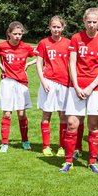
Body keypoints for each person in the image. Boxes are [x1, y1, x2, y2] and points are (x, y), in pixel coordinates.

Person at [62, 7, 98, 173]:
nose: (91, 25)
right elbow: (71, 63)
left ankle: (92, 161)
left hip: (96, 89)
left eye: (94, 22)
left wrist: (91, 87)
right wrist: (76, 86)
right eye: (88, 22)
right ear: (83, 21)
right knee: (71, 124)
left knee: (93, 126)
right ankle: (68, 160)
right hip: (76, 88)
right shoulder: (76, 38)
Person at [0, 22, 35, 153]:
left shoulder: (26, 47)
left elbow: (42, 56)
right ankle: (4, 143)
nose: (17, 36)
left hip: (22, 83)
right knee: (7, 114)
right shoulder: (2, 46)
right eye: (15, 34)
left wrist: (29, 63)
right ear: (9, 34)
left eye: (20, 34)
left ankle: (25, 141)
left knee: (22, 114)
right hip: (7, 82)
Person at [34, 16, 71, 157]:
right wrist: (43, 80)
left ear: (63, 27)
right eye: (53, 27)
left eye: (58, 27)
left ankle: (62, 147)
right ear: (50, 27)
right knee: (46, 114)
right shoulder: (44, 43)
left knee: (63, 116)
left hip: (64, 83)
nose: (56, 29)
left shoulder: (68, 43)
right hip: (48, 82)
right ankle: (46, 146)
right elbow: (39, 62)